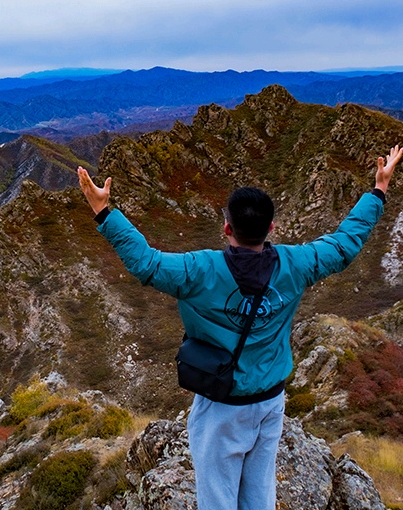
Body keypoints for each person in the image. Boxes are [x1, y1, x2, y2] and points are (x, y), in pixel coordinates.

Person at [77, 145, 402, 510]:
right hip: (270, 402)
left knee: (217, 499)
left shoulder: (198, 270)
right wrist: (378, 191)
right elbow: (344, 244)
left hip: (221, 406)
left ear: (226, 227)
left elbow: (146, 264)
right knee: (259, 496)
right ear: (272, 228)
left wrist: (104, 212)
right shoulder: (297, 264)